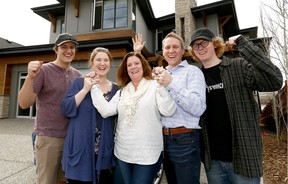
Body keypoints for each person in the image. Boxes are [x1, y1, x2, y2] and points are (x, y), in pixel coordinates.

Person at [189, 27, 283, 184]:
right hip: (214, 163)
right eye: (195, 45)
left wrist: (244, 44)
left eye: (204, 43)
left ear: (215, 44)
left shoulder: (238, 67)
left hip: (244, 157)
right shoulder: (195, 78)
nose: (200, 47)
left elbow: (275, 80)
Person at [91, 51, 176, 184]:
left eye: (136, 63)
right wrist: (93, 87)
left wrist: (161, 87)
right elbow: (106, 111)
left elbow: (169, 110)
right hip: (123, 152)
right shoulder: (122, 91)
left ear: (143, 66)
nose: (133, 67)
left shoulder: (154, 85)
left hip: (148, 153)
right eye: (129, 65)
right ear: (126, 70)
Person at [133, 32, 207, 184]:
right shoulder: (159, 73)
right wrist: (137, 53)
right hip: (161, 140)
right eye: (167, 47)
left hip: (185, 139)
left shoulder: (193, 72)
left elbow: (198, 108)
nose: (171, 50)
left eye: (175, 47)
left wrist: (170, 83)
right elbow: (137, 77)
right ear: (163, 51)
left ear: (182, 50)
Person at [18, 33, 82, 184]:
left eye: (72, 47)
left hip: (71, 139)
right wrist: (30, 77)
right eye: (64, 47)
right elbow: (24, 103)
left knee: (63, 180)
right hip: (48, 138)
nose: (68, 50)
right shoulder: (43, 71)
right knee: (47, 181)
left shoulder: (78, 76)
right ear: (56, 49)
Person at [60, 47, 119, 184]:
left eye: (106, 60)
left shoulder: (116, 89)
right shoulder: (79, 83)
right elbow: (66, 108)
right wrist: (86, 89)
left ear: (110, 63)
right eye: (98, 60)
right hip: (81, 150)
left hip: (104, 150)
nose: (102, 63)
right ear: (92, 63)